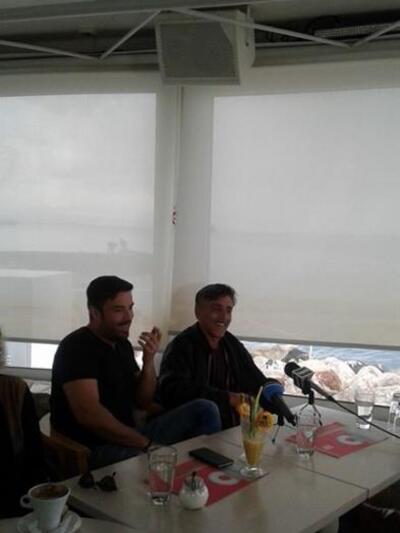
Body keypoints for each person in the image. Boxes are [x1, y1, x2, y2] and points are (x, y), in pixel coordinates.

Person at [50, 276, 221, 469]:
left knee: (205, 409)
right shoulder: (77, 347)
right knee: (156, 464)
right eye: (118, 310)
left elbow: (142, 400)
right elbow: (90, 415)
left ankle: (201, 475)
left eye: (130, 308)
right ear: (94, 312)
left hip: (131, 435)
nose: (129, 317)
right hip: (95, 448)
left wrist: (148, 362)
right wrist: (147, 445)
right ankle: (186, 475)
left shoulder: (121, 344)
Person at [158, 283, 279, 429]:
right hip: (193, 432)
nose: (224, 317)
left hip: (232, 431)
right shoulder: (182, 345)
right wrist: (228, 398)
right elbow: (172, 391)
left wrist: (272, 389)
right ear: (197, 312)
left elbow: (255, 381)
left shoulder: (232, 344)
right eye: (217, 309)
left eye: (228, 310)